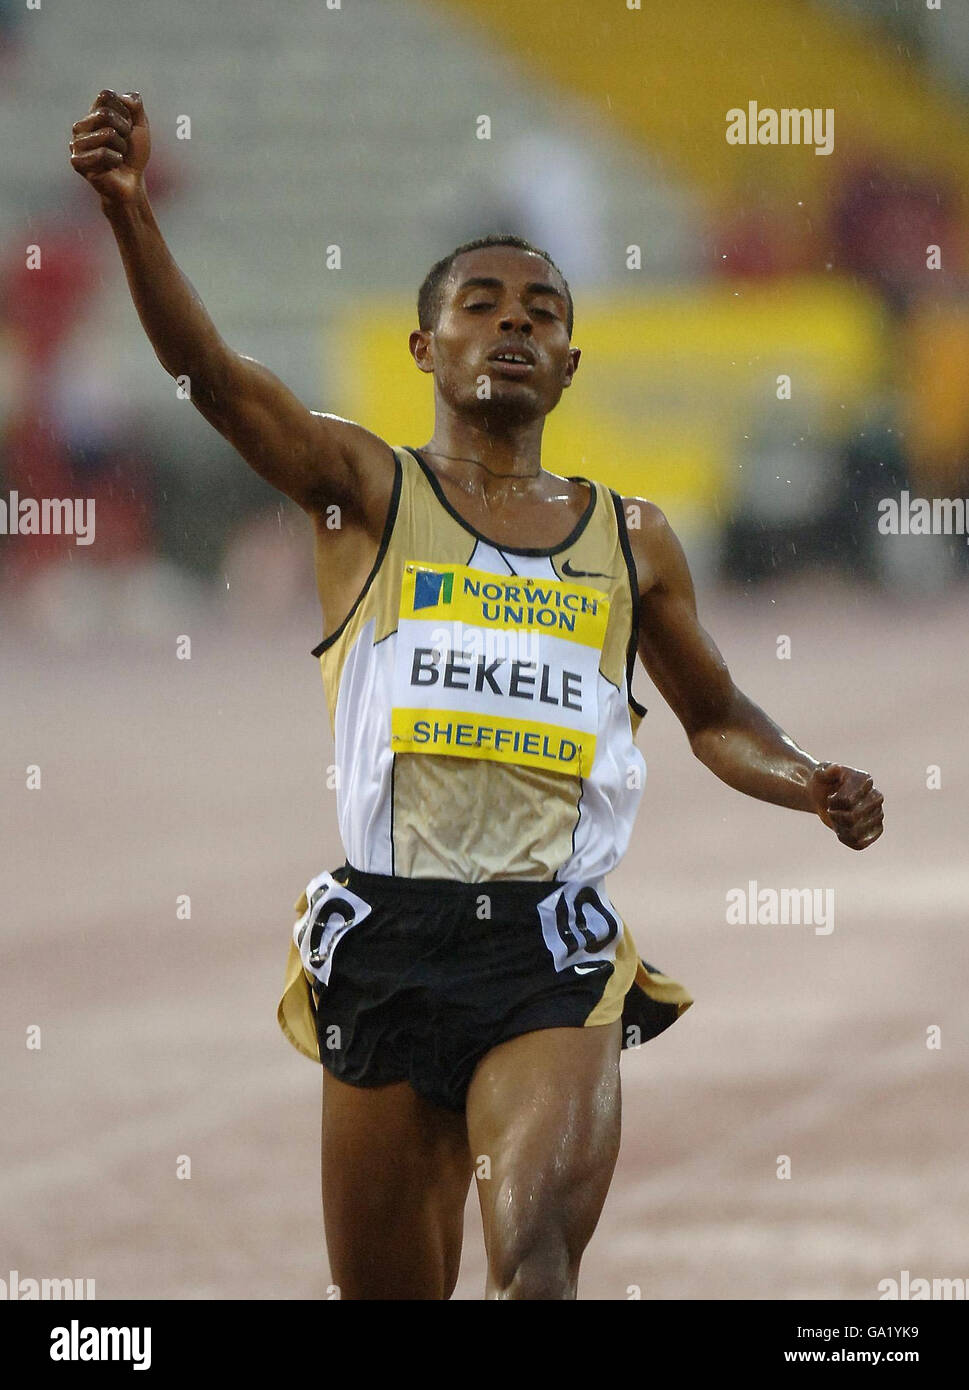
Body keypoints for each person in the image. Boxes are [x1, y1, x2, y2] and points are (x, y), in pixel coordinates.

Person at [71, 89, 885, 1301]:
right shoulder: (364, 490)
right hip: (387, 941)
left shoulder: (632, 538)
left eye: (541, 312)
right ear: (425, 350)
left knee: (536, 1266)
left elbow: (715, 716)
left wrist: (808, 777)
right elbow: (213, 377)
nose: (512, 325)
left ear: (569, 362)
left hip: (549, 950)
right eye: (480, 306)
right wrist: (130, 211)